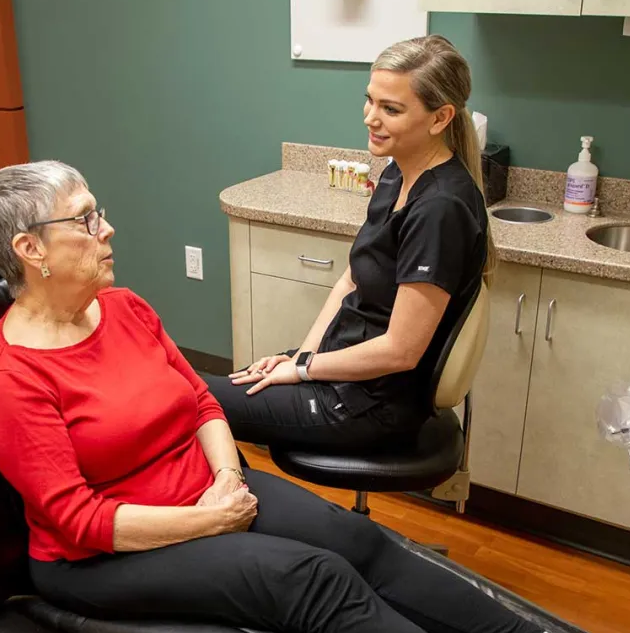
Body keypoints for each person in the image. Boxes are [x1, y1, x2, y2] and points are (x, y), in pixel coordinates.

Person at [0, 159, 630, 633]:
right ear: (30, 250)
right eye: (87, 218)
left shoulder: (123, 309)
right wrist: (208, 522)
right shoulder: (9, 377)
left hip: (205, 492)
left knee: (358, 539)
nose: (108, 228)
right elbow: (76, 521)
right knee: (313, 581)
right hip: (103, 558)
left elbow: (200, 402)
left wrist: (228, 478)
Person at [211, 35, 495, 450]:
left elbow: (401, 351)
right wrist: (301, 357)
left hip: (371, 405)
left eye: (390, 109)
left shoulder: (440, 209)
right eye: (370, 100)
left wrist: (306, 369)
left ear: (440, 118)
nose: (370, 118)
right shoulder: (398, 173)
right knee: (199, 395)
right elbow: (351, 280)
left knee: (193, 401)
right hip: (341, 371)